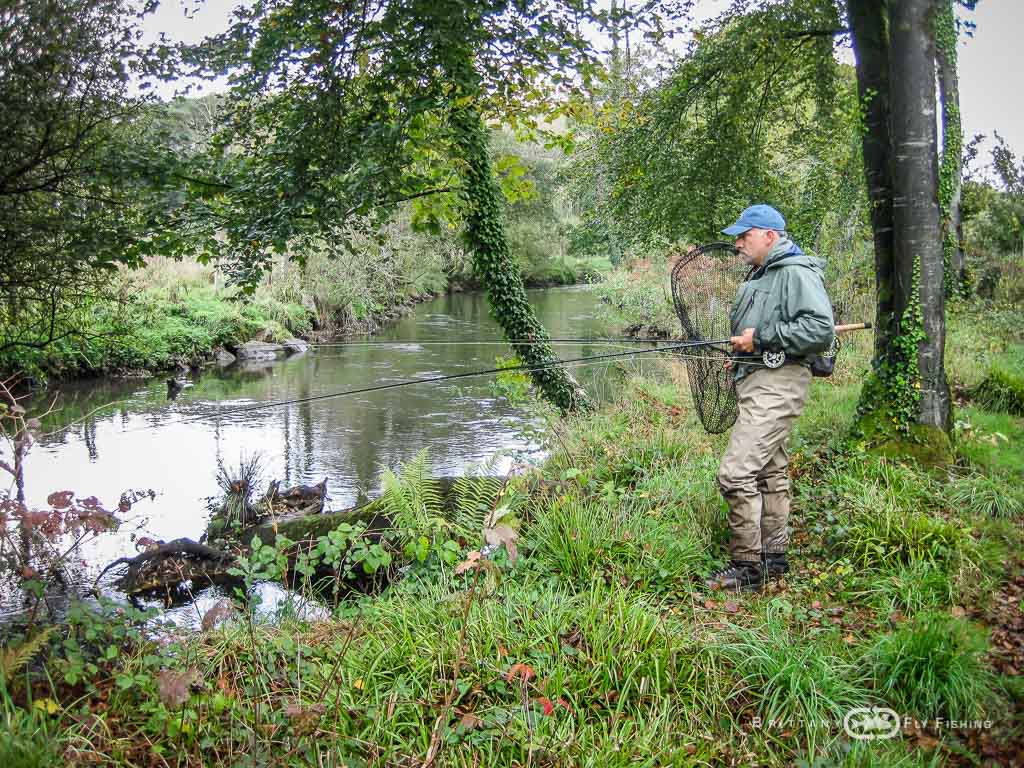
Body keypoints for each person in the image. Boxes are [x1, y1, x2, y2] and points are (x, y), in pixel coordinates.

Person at [705, 204, 834, 592]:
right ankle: (774, 558)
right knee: (769, 472)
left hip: (778, 385)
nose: (739, 243)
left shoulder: (794, 272)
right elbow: (767, 329)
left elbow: (819, 328)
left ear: (769, 236)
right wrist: (744, 355)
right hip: (760, 378)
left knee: (736, 472)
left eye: (745, 236)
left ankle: (747, 566)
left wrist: (759, 340)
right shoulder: (764, 274)